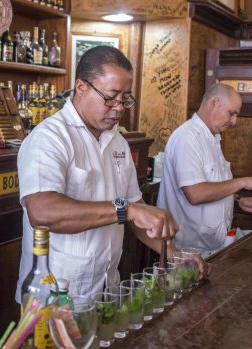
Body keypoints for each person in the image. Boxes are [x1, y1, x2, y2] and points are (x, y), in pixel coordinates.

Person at [15, 46, 208, 302]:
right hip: (55, 295)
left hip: (106, 289)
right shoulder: (49, 137)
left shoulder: (117, 141)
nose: (118, 108)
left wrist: (174, 254)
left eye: (125, 98)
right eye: (110, 97)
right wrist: (126, 209)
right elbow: (42, 212)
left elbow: (136, 210)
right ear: (81, 87)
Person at [157, 83, 252, 257]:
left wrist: (237, 199)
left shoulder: (213, 138)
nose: (234, 121)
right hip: (188, 251)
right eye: (232, 113)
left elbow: (213, 185)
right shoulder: (187, 138)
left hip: (213, 247)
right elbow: (195, 193)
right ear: (214, 103)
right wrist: (243, 182)